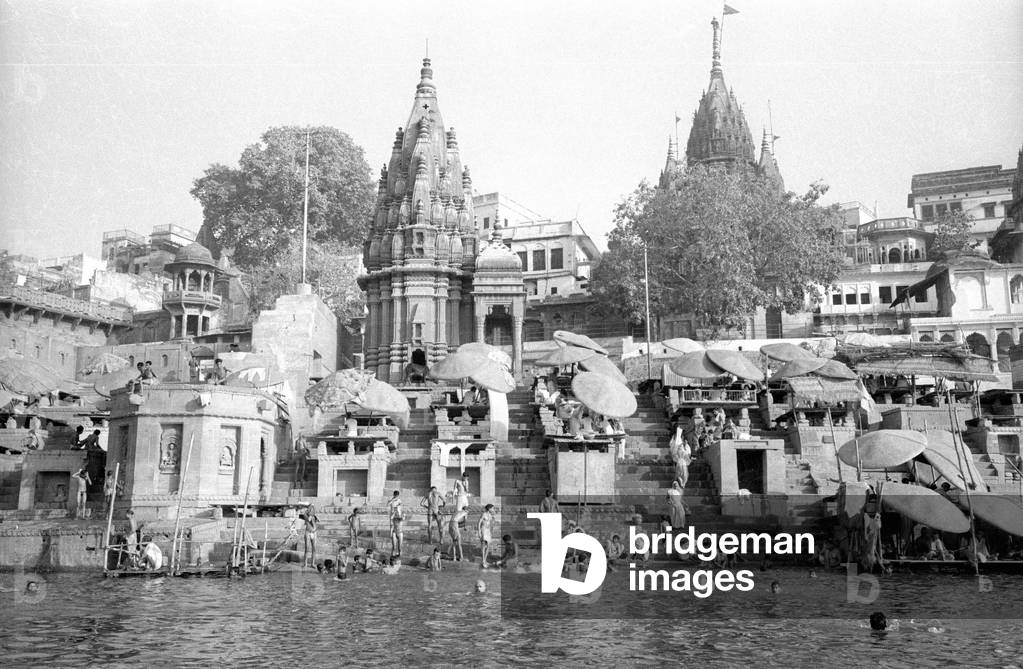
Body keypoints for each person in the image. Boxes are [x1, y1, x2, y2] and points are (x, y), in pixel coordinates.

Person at [302, 504, 319, 568]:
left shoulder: (314, 516)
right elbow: (308, 520)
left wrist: (316, 518)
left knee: (314, 549)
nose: (312, 510)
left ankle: (312, 564)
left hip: (314, 533)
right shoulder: (305, 515)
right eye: (310, 509)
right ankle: (305, 564)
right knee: (307, 548)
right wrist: (309, 514)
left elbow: (317, 521)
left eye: (312, 509)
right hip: (308, 533)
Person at [387, 491, 404, 557]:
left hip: (398, 516)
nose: (396, 496)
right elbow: (388, 504)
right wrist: (393, 499)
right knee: (392, 525)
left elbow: (401, 507)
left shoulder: (399, 500)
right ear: (394, 495)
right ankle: (391, 534)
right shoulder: (391, 500)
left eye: (397, 495)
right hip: (393, 515)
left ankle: (399, 555)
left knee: (400, 547)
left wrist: (398, 510)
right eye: (395, 495)